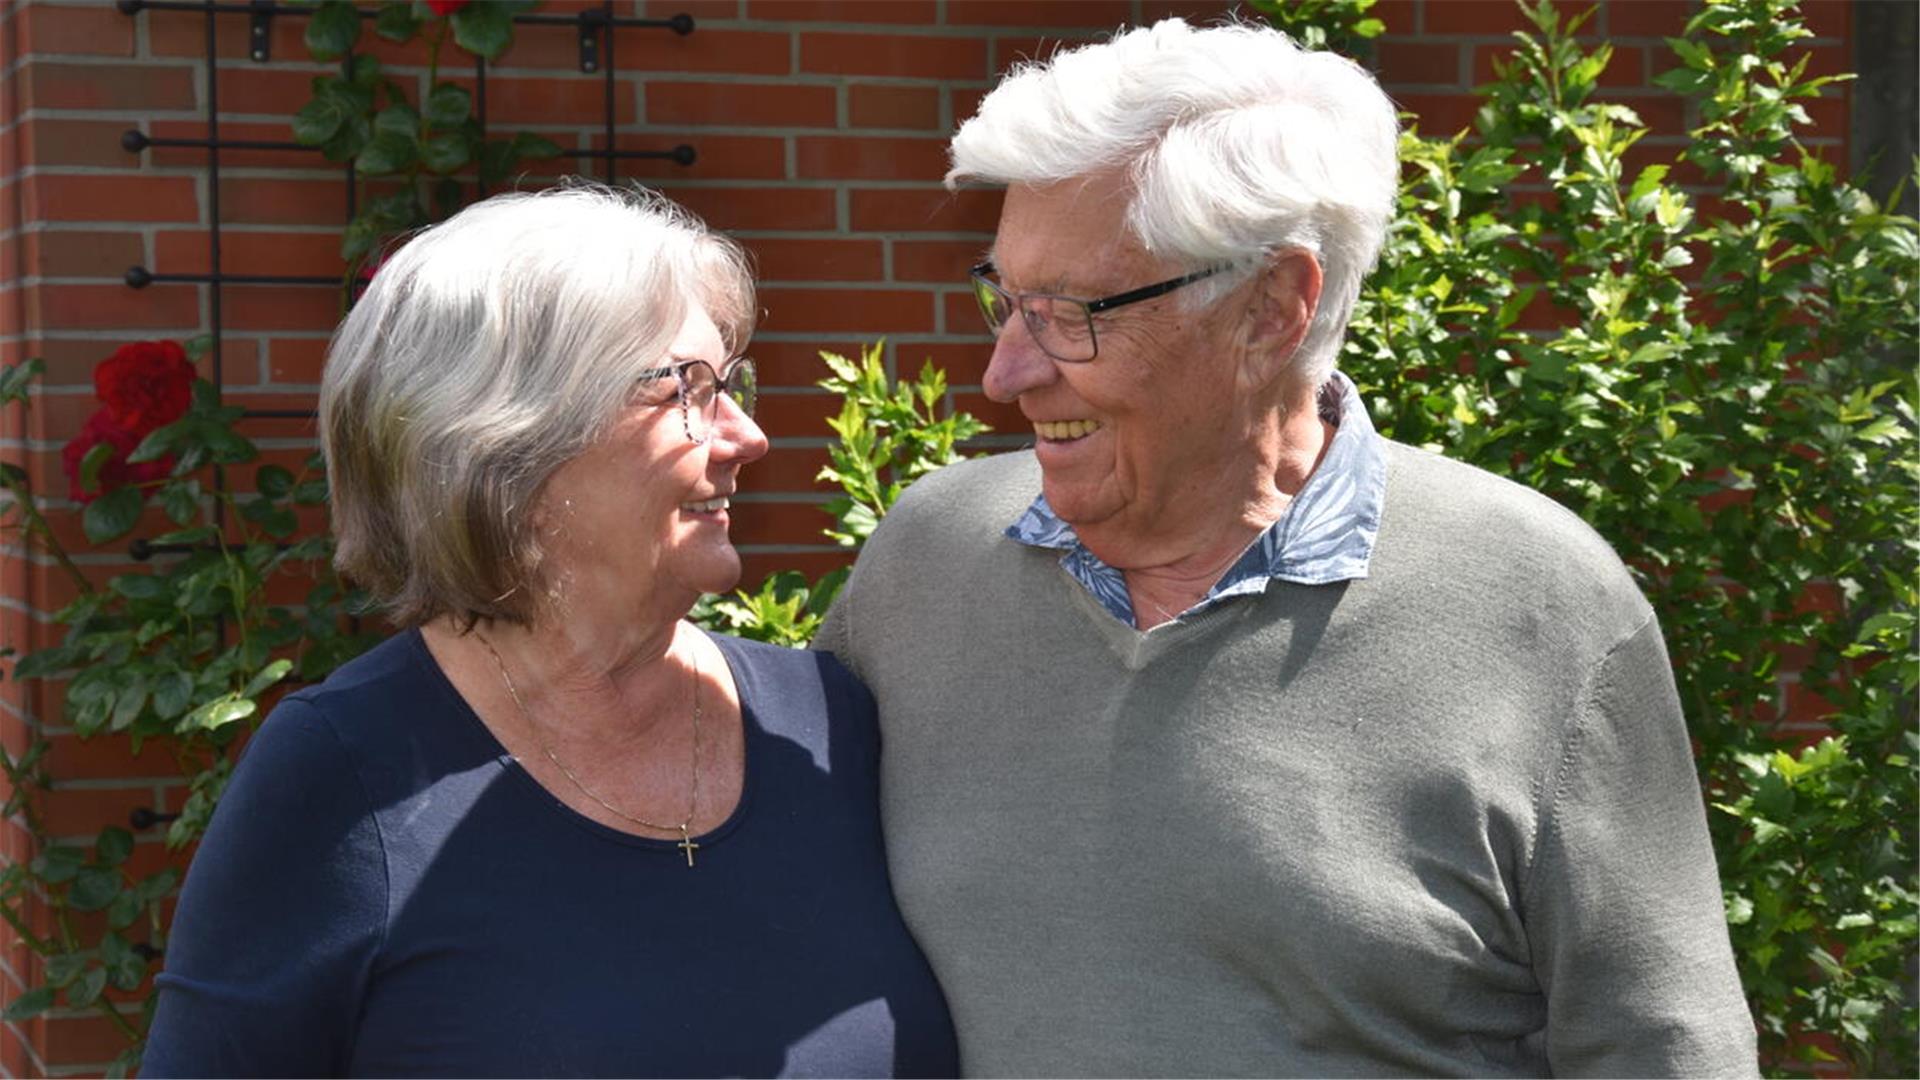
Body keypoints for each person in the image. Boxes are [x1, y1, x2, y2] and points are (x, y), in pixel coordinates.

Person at [813, 18, 1757, 1078]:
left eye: (1072, 314)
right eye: (1007, 298)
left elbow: (1664, 1050)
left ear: (1271, 307)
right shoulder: (926, 566)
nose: (1005, 370)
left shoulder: (1533, 598)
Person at [144, 185, 958, 1078]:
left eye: (731, 385)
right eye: (687, 389)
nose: (748, 437)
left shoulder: (830, 725)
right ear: (511, 437)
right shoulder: (344, 775)